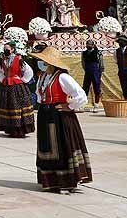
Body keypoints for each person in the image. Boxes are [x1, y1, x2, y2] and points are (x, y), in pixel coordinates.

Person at [31, 46, 92, 193]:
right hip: (45, 115)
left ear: (50, 63)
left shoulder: (63, 77)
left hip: (60, 116)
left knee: (61, 147)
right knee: (47, 147)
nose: (40, 63)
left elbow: (80, 95)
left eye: (43, 61)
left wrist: (69, 106)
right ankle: (51, 181)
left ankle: (66, 180)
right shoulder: (42, 77)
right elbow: (40, 96)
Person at [0, 42, 35, 137]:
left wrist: (23, 80)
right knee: (7, 105)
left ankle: (20, 130)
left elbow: (28, 71)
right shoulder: (2, 61)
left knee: (18, 106)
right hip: (6, 86)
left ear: (12, 49)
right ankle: (10, 129)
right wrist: (3, 80)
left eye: (7, 49)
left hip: (17, 87)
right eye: (4, 49)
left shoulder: (19, 60)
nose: (5, 50)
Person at [81, 40, 105, 111]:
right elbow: (83, 63)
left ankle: (96, 104)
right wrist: (86, 69)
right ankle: (83, 104)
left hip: (96, 72)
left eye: (89, 45)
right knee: (85, 88)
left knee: (96, 88)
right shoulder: (84, 53)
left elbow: (101, 63)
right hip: (88, 72)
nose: (88, 46)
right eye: (87, 44)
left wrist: (100, 72)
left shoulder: (98, 53)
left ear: (93, 45)